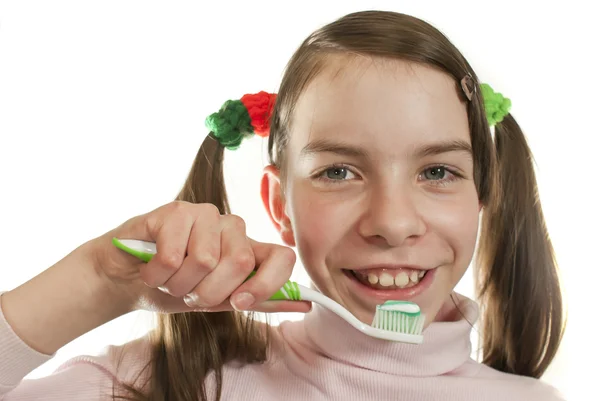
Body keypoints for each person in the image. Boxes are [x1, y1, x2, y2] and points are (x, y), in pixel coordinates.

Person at [0, 10, 566, 401]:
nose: (393, 223)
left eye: (438, 172)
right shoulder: (161, 383)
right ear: (280, 204)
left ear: (480, 198)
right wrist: (98, 282)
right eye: (339, 172)